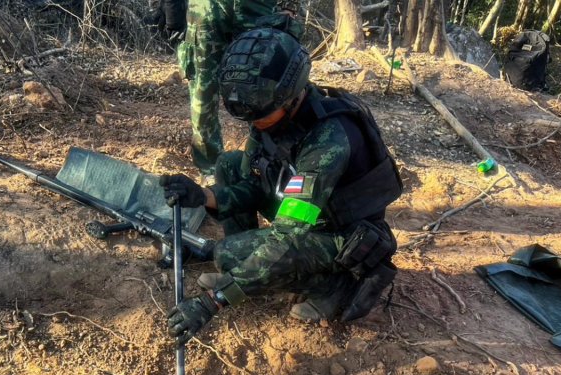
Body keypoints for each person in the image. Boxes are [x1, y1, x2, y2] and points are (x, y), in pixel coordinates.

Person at [161, 27, 403, 345]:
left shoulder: (327, 140)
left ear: (289, 97)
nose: (253, 123)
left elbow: (287, 238)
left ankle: (334, 285)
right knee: (229, 165)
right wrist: (203, 196)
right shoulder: (270, 115)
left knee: (229, 254)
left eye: (259, 115)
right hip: (310, 213)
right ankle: (246, 273)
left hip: (343, 235)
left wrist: (213, 302)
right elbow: (252, 184)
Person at [177, 0, 302, 178]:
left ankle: (274, 165)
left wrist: (289, 5)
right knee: (202, 90)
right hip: (206, 8)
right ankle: (210, 171)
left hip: (259, 7)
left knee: (270, 86)